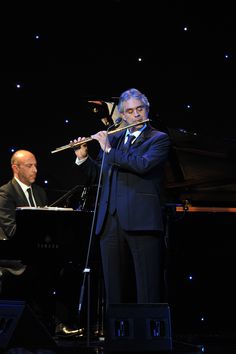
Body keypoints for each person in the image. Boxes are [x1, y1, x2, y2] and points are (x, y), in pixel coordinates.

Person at [70, 88, 171, 309]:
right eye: (130, 111)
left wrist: (107, 148)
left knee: (147, 287)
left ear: (147, 110)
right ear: (122, 115)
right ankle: (116, 339)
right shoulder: (115, 139)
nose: (136, 115)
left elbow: (142, 165)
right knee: (114, 289)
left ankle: (150, 339)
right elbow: (101, 174)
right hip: (110, 221)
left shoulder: (158, 139)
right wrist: (84, 158)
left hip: (141, 221)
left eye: (140, 109)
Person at [0, 149, 81, 337]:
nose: (35, 170)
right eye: (30, 166)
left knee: (67, 266)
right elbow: (12, 231)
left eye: (35, 165)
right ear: (15, 168)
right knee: (44, 268)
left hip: (36, 251)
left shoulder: (39, 192)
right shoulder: (5, 193)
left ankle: (55, 322)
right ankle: (50, 323)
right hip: (14, 255)